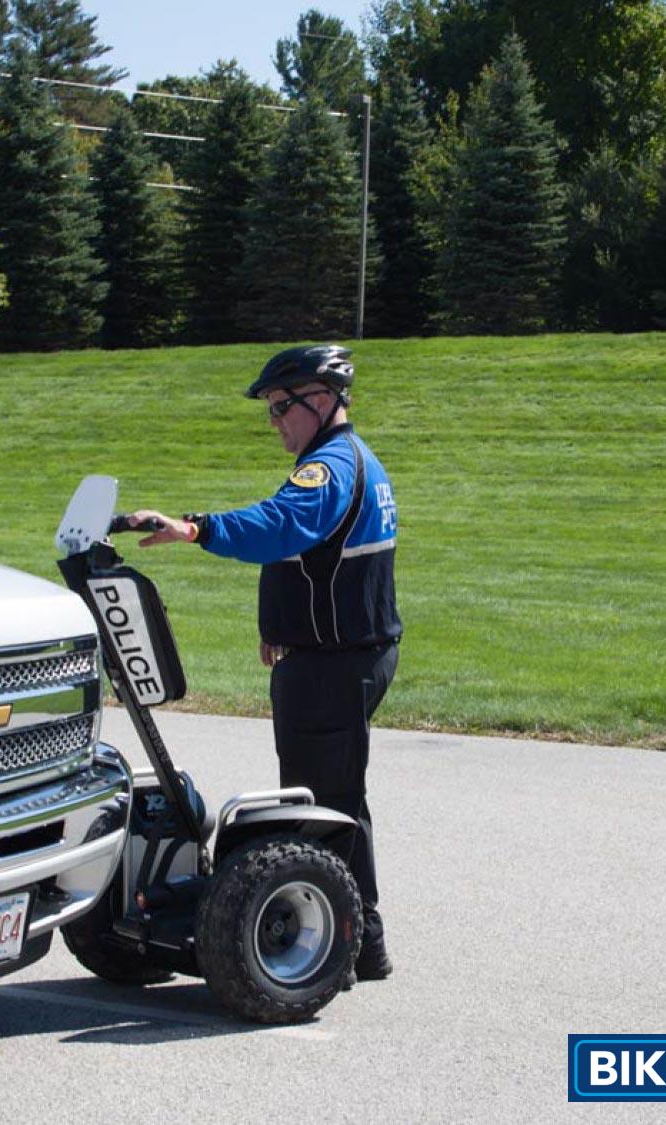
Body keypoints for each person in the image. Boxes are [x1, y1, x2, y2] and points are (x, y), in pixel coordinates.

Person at [131, 343, 402, 981]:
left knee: (326, 804)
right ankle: (363, 941)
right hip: (340, 654)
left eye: (282, 406)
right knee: (339, 797)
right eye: (271, 409)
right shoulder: (354, 461)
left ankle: (350, 944)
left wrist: (195, 528)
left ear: (324, 400)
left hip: (334, 665)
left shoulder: (329, 470)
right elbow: (313, 559)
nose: (275, 419)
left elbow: (280, 527)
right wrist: (280, 626)